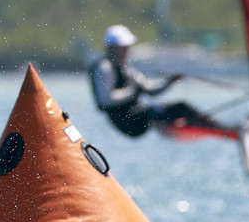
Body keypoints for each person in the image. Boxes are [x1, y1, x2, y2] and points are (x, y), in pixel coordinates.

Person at [90, 24, 222, 138]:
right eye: (124, 47)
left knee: (181, 107)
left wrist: (170, 81)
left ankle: (219, 128)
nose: (127, 50)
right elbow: (106, 100)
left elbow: (151, 90)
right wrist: (132, 90)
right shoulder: (104, 67)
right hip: (126, 121)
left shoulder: (125, 68)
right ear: (113, 47)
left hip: (137, 115)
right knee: (156, 112)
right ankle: (215, 128)